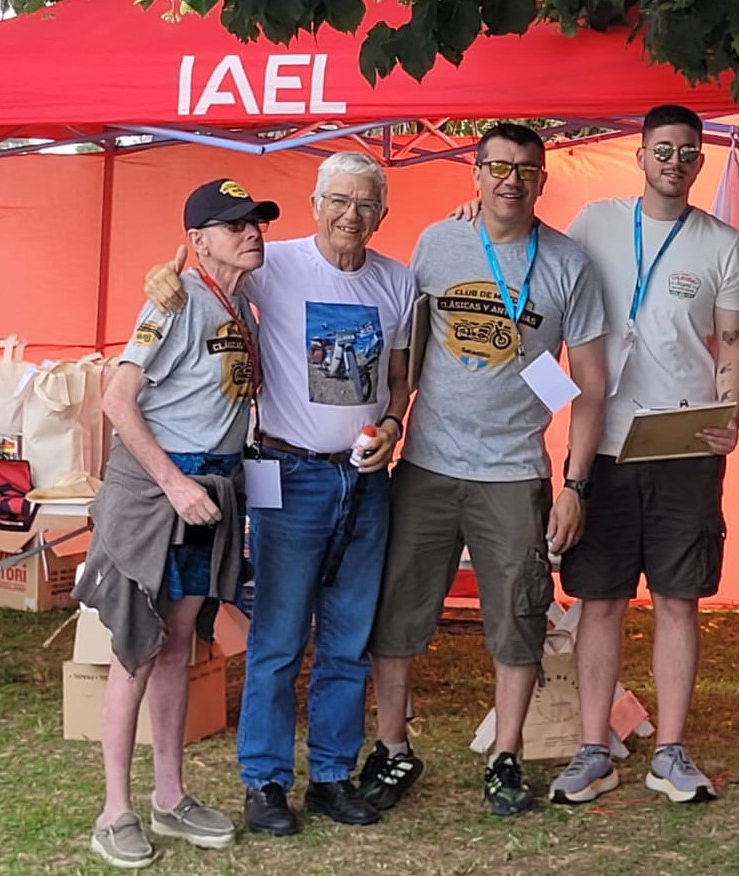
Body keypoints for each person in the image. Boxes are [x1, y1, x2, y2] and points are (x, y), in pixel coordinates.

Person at [142, 152, 418, 835]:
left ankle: (330, 776)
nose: (350, 215)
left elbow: (399, 379)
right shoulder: (275, 262)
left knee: (348, 638)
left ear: (382, 215)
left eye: (365, 204)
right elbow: (208, 267)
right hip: (287, 474)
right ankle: (264, 782)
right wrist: (159, 275)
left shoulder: (397, 281)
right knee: (278, 636)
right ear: (317, 205)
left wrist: (391, 425)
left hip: (364, 481)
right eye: (338, 201)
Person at [363, 123, 607, 817]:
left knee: (517, 618)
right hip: (427, 465)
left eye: (525, 169)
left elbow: (588, 386)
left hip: (513, 472)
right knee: (398, 611)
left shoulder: (567, 263)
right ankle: (391, 747)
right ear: (474, 175)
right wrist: (389, 422)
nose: (510, 180)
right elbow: (405, 352)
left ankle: (505, 756)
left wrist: (575, 484)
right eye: (497, 167)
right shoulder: (437, 243)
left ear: (542, 180)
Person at [543, 104, 739, 805]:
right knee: (598, 601)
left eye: (688, 152)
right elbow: (537, 282)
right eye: (662, 150)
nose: (674, 162)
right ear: (640, 156)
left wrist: (731, 413)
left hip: (684, 446)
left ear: (699, 161)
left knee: (677, 600)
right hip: (600, 449)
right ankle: (592, 749)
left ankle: (670, 751)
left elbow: (734, 344)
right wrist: (470, 214)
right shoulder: (594, 223)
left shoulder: (722, 243)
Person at [75, 178, 276, 868]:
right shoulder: (175, 300)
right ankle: (113, 812)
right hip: (161, 489)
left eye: (255, 222)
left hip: (211, 487)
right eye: (234, 224)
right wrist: (173, 483)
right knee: (137, 646)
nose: (251, 232)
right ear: (198, 241)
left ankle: (169, 796)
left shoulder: (241, 302)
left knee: (179, 641)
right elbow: (117, 398)